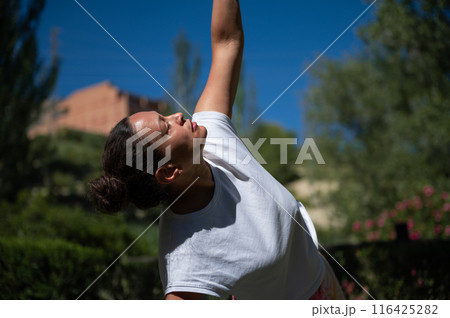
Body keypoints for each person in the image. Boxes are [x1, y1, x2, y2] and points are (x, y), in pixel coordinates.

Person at [89, 0, 344, 300]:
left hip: (327, 282)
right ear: (169, 171)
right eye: (166, 127)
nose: (178, 117)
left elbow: (227, 41)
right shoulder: (187, 261)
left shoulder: (212, 135)